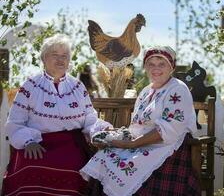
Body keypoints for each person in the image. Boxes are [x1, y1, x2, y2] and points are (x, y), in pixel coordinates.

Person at [80, 46, 201, 196]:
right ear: (145, 67)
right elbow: (136, 126)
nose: (156, 69)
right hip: (141, 144)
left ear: (172, 67)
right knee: (105, 156)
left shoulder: (178, 89)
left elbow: (169, 129)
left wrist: (132, 144)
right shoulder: (146, 91)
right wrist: (117, 136)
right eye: (151, 64)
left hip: (165, 146)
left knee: (127, 170)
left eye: (161, 64)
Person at [2, 34, 112, 195]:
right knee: (29, 166)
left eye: (65, 56)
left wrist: (101, 131)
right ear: (44, 58)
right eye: (55, 55)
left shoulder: (77, 86)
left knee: (74, 168)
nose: (61, 60)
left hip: (70, 144)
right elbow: (15, 121)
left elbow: (90, 119)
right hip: (36, 142)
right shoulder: (30, 85)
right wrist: (28, 141)